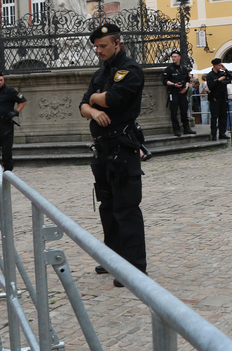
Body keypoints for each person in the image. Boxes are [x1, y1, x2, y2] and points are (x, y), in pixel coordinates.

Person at [78, 23, 147, 287]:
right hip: (103, 149)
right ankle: (113, 258)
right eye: (96, 46)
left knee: (126, 208)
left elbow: (113, 99)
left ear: (117, 43)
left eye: (103, 45)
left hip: (122, 148)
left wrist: (95, 100)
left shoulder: (130, 70)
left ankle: (134, 268)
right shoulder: (101, 72)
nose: (98, 50)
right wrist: (93, 110)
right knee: (107, 206)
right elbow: (82, 106)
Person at [0, 73, 27, 184]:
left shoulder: (10, 91)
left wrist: (15, 112)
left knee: (6, 150)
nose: (0, 82)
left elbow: (23, 101)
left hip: (5, 124)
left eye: (1, 80)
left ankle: (7, 173)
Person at [162, 51, 196, 136]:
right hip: (173, 91)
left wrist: (185, 88)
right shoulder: (169, 68)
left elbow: (187, 80)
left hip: (182, 92)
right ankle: (176, 130)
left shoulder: (183, 68)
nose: (173, 58)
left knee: (184, 110)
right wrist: (174, 84)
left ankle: (186, 128)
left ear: (179, 57)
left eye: (175, 57)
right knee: (174, 111)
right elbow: (165, 81)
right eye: (172, 57)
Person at [204, 59, 232, 140]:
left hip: (223, 97)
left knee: (223, 116)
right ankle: (214, 134)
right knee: (214, 117)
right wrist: (219, 80)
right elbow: (210, 86)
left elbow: (230, 77)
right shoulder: (210, 75)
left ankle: (222, 133)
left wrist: (225, 70)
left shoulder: (222, 73)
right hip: (214, 98)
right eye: (219, 65)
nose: (220, 66)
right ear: (214, 65)